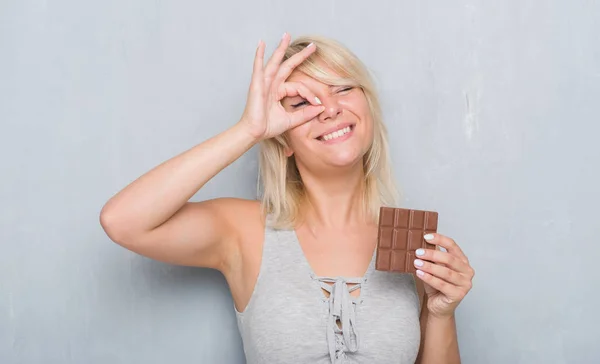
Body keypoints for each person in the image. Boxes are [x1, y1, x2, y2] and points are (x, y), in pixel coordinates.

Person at [100, 33, 475, 364]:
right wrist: (249, 131)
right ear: (284, 140)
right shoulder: (243, 230)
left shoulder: (413, 243)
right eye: (302, 104)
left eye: (343, 89)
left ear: (368, 108)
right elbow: (123, 222)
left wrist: (442, 312)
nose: (330, 109)